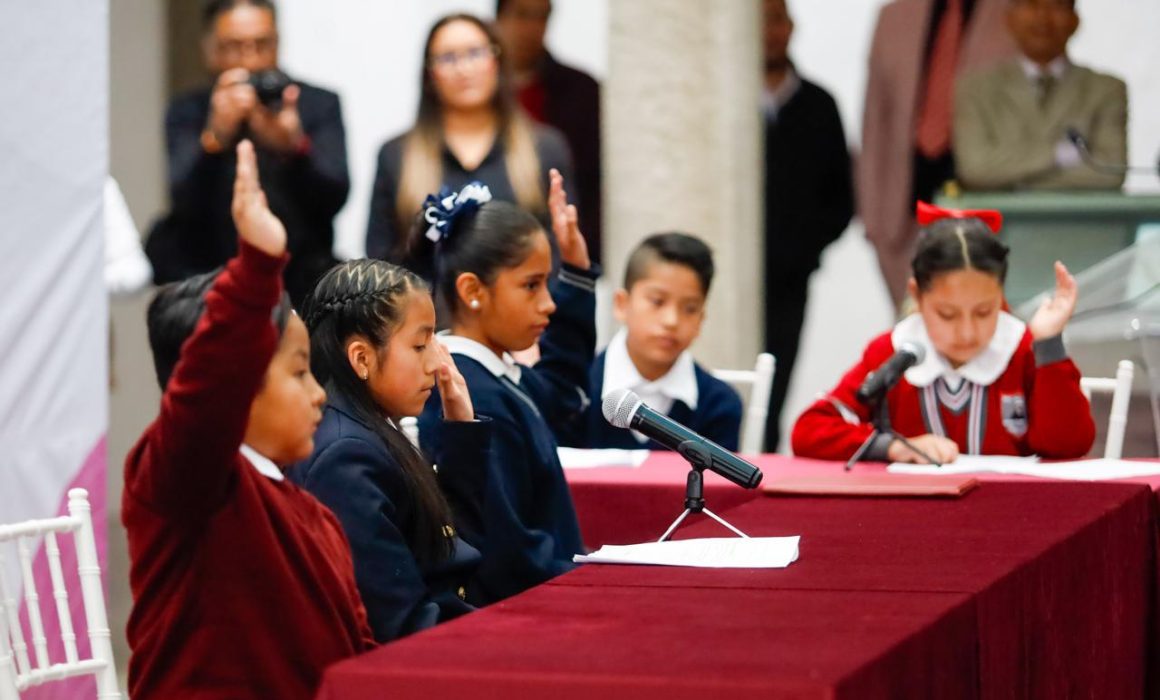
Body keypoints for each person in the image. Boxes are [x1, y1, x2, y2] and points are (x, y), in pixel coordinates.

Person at [123, 140, 373, 699]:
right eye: (300, 371)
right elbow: (204, 395)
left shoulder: (313, 515)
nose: (318, 396)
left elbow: (355, 653)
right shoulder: (182, 483)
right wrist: (257, 265)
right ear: (237, 382)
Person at [791, 204, 1095, 463]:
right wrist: (894, 447)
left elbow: (1069, 445)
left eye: (984, 312)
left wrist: (1049, 344)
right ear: (917, 296)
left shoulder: (1023, 348)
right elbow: (810, 429)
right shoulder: (894, 352)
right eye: (947, 315)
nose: (967, 332)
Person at [416, 172, 596, 604]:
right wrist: (589, 580)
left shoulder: (495, 374)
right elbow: (508, 552)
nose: (549, 303)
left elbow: (561, 392)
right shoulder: (473, 395)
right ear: (473, 291)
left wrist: (577, 272)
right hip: (523, 608)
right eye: (531, 286)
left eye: (548, 284)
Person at [290, 259, 487, 642]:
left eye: (434, 341)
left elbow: (451, 550)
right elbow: (402, 622)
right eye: (419, 344)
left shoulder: (371, 427)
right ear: (362, 358)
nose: (436, 363)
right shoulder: (345, 457)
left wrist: (462, 433)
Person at [145, 0, 349, 306]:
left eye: (261, 44)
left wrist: (293, 147)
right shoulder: (189, 110)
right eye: (234, 47)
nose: (251, 60)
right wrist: (215, 137)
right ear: (209, 50)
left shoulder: (316, 104)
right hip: (211, 283)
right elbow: (183, 201)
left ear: (278, 42)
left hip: (300, 284)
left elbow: (335, 196)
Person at [366, 13, 573, 278]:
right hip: (428, 315)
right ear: (430, 74)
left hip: (522, 312)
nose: (463, 69)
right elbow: (380, 261)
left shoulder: (545, 148)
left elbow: (559, 252)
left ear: (496, 61)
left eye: (475, 53)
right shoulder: (396, 155)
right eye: (448, 58)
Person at [860, 0, 1014, 307]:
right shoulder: (895, 16)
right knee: (915, 325)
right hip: (903, 212)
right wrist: (873, 218)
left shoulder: (1013, 12)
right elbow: (876, 121)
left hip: (989, 203)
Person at [761, 0, 854, 451]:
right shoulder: (720, 107)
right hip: (722, 277)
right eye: (757, 20)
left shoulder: (818, 105)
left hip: (789, 279)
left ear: (790, 27)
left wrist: (802, 249)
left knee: (774, 390)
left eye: (775, 18)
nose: (767, 30)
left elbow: (842, 198)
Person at [560, 233, 742, 451]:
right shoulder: (574, 390)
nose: (671, 321)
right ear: (621, 304)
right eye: (657, 302)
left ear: (701, 320)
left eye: (690, 309)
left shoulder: (718, 404)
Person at [953, 0, 1127, 191]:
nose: (1043, 17)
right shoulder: (976, 88)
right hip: (1002, 219)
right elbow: (975, 170)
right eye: (1031, 4)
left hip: (1079, 219)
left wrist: (1009, 176)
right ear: (1010, 19)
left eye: (1056, 5)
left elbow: (1110, 172)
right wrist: (1058, 155)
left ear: (1075, 21)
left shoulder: (1106, 89)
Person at [494, 0, 603, 262]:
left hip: (553, 242)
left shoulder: (581, 91)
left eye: (541, 17)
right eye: (522, 16)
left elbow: (592, 185)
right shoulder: (478, 91)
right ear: (499, 19)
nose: (531, 28)